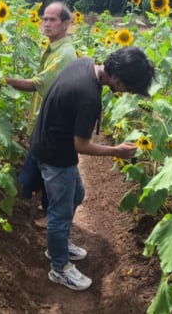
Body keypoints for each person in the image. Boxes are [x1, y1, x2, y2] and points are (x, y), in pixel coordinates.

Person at [29, 46, 156, 291]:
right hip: (55, 154)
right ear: (117, 78)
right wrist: (116, 151)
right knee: (59, 212)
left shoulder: (85, 64)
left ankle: (60, 244)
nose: (126, 92)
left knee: (77, 195)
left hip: (51, 141)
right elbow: (82, 145)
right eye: (127, 87)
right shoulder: (88, 96)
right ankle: (59, 268)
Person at [5, 2, 76, 229]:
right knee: (42, 168)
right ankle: (45, 207)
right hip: (45, 119)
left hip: (51, 124)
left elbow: (38, 84)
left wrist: (2, 80)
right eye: (44, 19)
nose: (46, 23)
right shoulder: (54, 47)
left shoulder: (64, 54)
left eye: (53, 19)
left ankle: (51, 215)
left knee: (49, 171)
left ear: (66, 23)